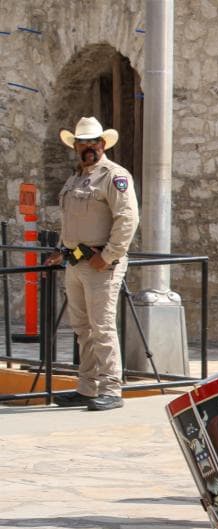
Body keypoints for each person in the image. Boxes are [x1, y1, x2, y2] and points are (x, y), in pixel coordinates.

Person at [45, 117, 139, 411]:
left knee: (102, 327)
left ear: (102, 144)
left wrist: (108, 256)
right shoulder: (75, 178)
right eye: (82, 142)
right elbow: (73, 221)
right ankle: (87, 387)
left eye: (93, 142)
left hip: (100, 264)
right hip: (75, 262)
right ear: (75, 146)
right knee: (82, 328)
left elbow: (128, 219)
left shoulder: (114, 176)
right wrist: (62, 250)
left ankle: (111, 388)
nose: (87, 147)